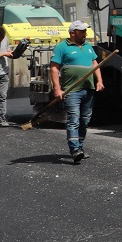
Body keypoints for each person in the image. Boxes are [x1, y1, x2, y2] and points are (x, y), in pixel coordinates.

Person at [50, 21, 103, 163]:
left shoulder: (88, 47)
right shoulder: (62, 47)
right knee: (74, 119)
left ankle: (80, 147)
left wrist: (99, 80)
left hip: (89, 89)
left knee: (85, 120)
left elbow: (94, 63)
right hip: (72, 90)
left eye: (85, 31)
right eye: (82, 31)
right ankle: (74, 150)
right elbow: (54, 68)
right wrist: (57, 89)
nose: (85, 33)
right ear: (72, 33)